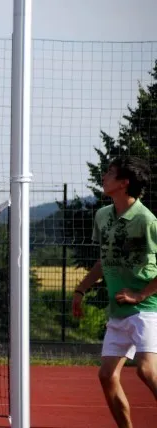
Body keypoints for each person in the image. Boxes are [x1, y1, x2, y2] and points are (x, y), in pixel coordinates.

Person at [72, 155, 157, 428]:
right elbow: (104, 260)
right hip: (118, 311)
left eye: (110, 173)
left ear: (124, 182)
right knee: (107, 376)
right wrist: (81, 290)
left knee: (146, 370)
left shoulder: (146, 220)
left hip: (146, 310)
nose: (104, 177)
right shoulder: (103, 216)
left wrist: (141, 294)